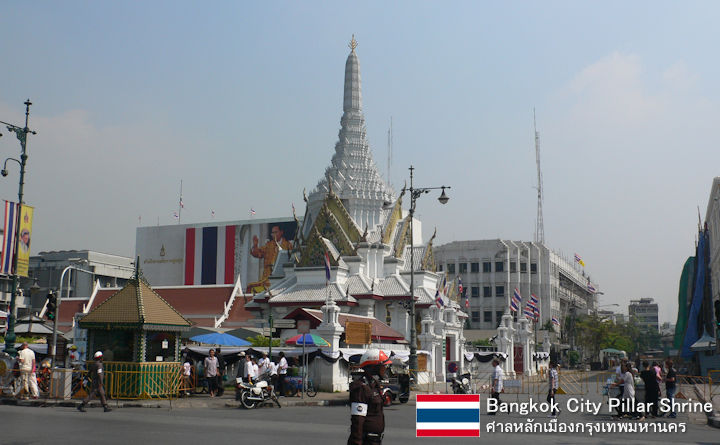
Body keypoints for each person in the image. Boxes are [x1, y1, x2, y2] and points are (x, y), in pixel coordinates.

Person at [348, 350, 389, 445]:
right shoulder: (361, 388)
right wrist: (357, 442)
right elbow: (358, 419)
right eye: (383, 366)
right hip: (365, 440)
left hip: (375, 440)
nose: (385, 369)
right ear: (374, 367)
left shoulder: (374, 386)